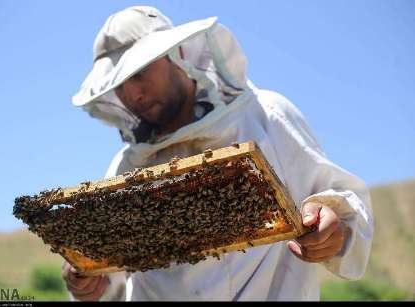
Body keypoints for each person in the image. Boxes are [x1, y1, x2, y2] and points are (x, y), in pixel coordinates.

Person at [62, 6, 373, 301]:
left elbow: (344, 208)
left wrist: (333, 224)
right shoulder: (125, 166)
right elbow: (115, 278)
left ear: (178, 54)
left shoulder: (265, 116)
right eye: (117, 85)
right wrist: (89, 282)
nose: (132, 94)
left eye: (138, 73)